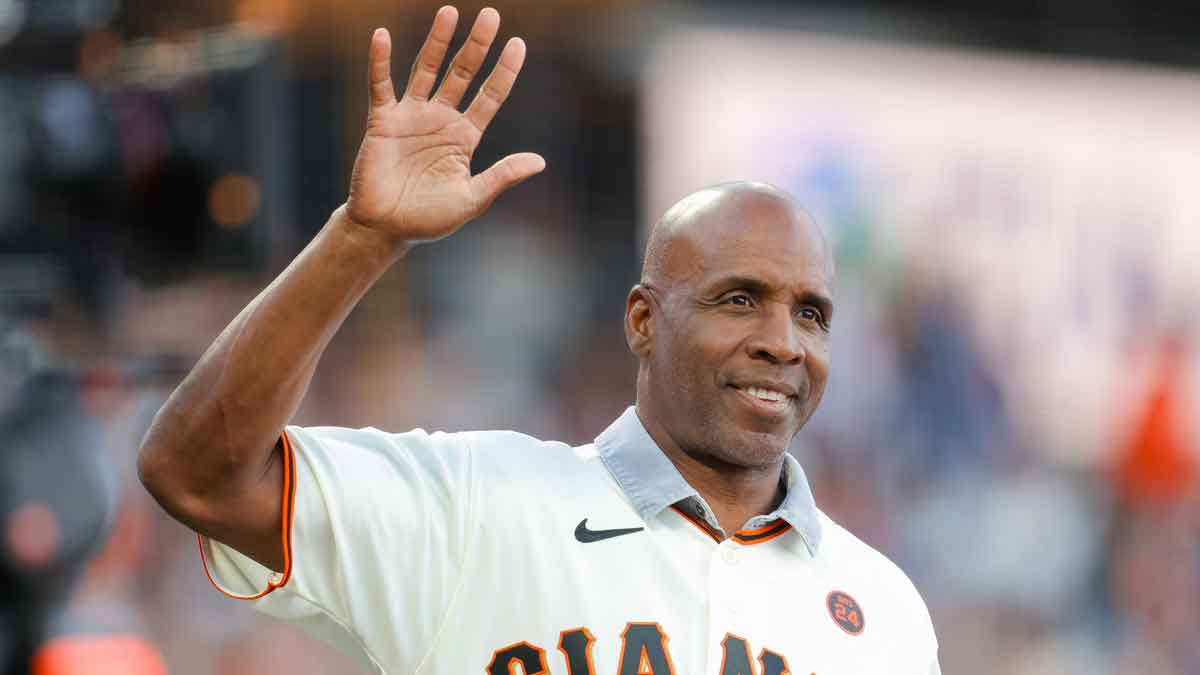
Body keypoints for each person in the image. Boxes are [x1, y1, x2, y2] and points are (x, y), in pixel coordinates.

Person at [137, 6, 940, 675]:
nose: (782, 341)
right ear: (642, 321)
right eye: (740, 299)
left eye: (811, 314)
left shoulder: (884, 608)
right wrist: (362, 239)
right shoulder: (475, 508)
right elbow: (196, 474)